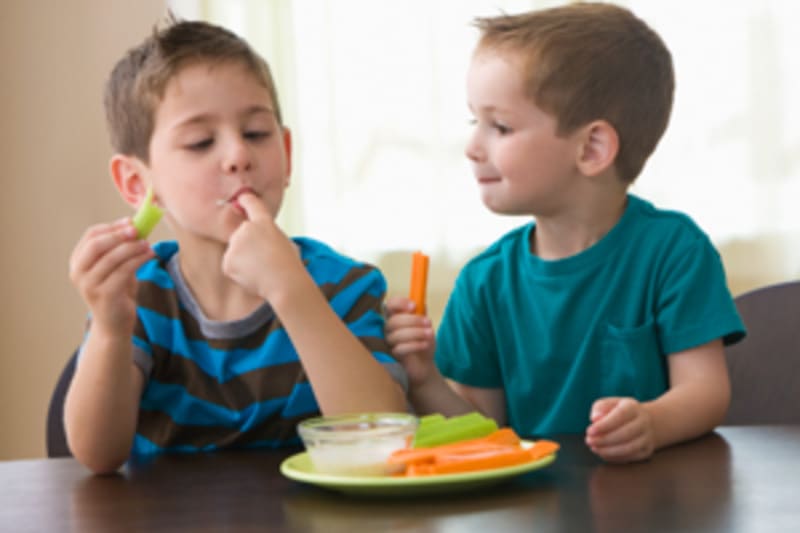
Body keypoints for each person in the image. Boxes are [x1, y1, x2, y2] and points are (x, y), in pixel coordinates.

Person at [385, 3, 745, 463]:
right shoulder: (483, 282)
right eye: (473, 121)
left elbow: (706, 391)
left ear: (592, 148)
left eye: (500, 126)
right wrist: (423, 380)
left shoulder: (675, 252)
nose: (473, 147)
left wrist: (652, 423)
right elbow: (482, 429)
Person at [66, 18, 407, 474]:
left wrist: (290, 289)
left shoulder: (344, 285)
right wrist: (109, 328)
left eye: (256, 134)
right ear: (137, 182)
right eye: (200, 142)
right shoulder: (139, 299)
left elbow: (378, 436)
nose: (238, 156)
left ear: (286, 153)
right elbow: (97, 455)